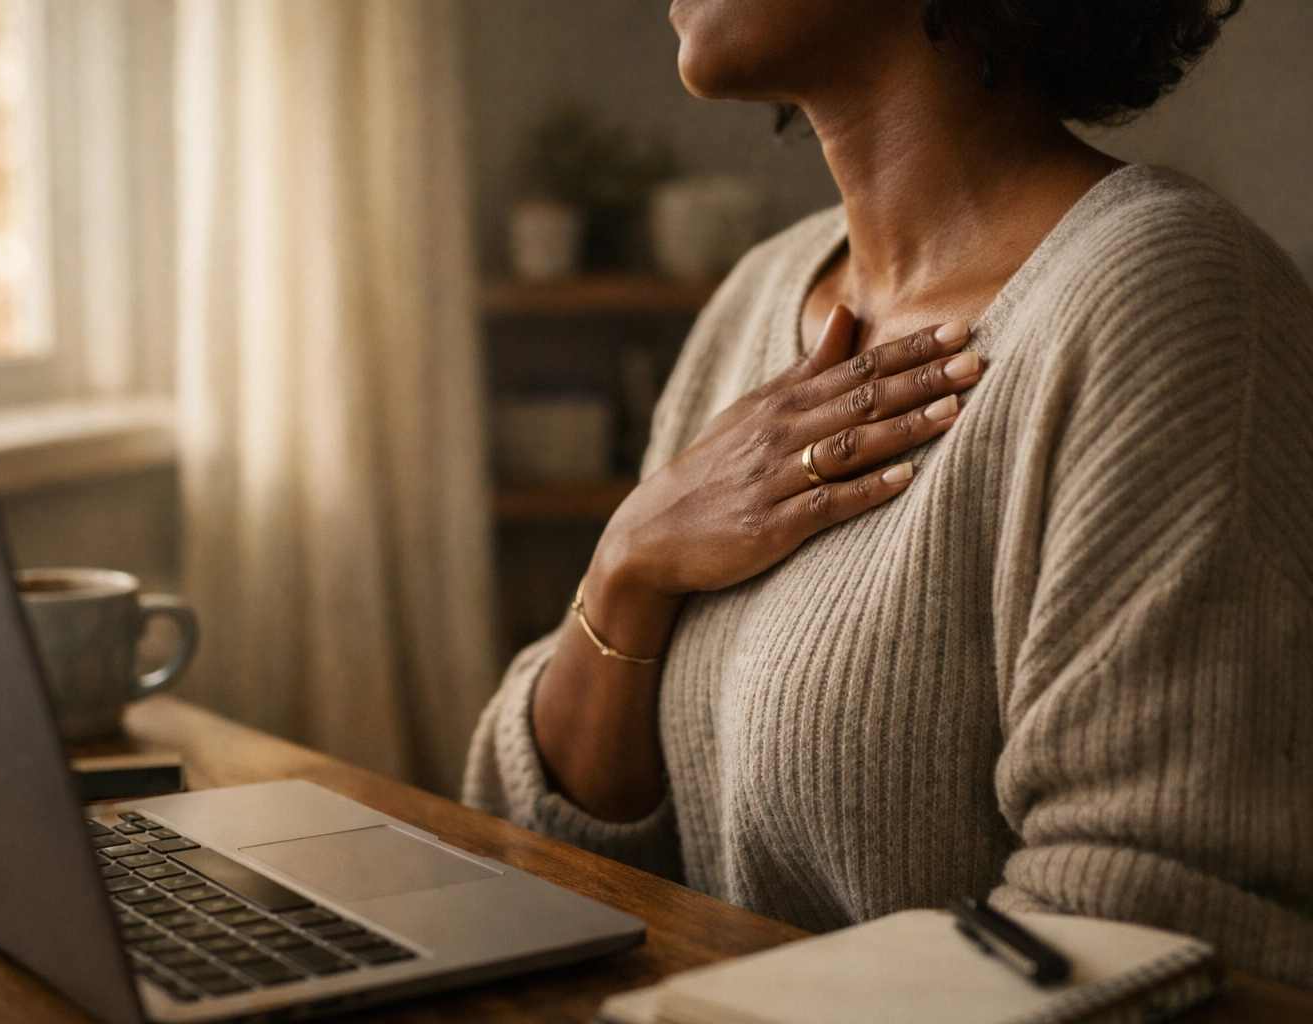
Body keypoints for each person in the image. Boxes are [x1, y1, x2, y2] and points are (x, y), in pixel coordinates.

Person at [464, 0, 1313, 988]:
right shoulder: (760, 291)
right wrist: (626, 567)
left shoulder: (1168, 300)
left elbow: (1133, 939)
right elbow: (535, 856)